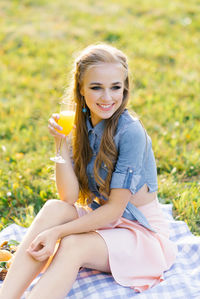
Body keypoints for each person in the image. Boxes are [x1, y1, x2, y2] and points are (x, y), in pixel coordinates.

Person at [0, 43, 177, 299]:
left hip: (139, 234)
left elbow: (115, 210)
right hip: (104, 220)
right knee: (53, 209)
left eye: (115, 87)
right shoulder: (79, 123)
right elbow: (69, 197)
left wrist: (57, 233)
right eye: (96, 87)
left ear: (124, 88)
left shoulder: (130, 133)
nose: (107, 98)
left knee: (72, 245)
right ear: (81, 89)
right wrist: (61, 142)